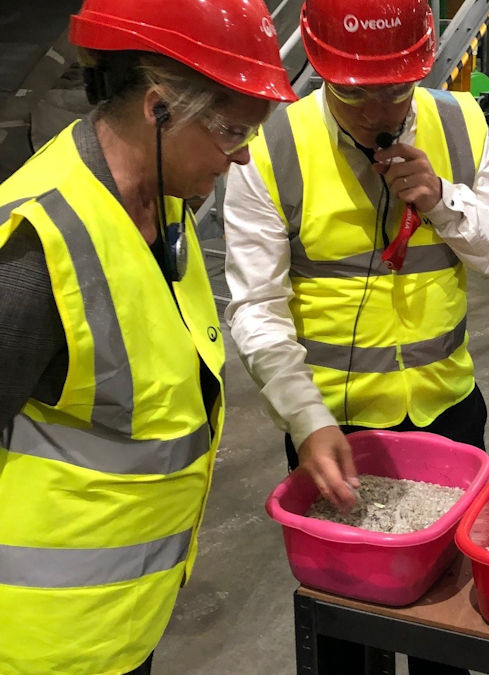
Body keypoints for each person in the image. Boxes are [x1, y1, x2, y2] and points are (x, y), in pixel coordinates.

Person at [223, 0, 489, 672]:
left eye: (395, 90)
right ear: (321, 68)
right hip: (334, 435)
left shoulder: (457, 122)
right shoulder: (270, 147)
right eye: (355, 94)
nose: (377, 113)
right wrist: (305, 421)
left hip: (448, 418)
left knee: (447, 627)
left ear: (418, 67)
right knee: (344, 632)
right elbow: (255, 308)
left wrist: (444, 200)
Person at [0, 1, 296, 673]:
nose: (244, 155)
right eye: (228, 130)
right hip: (36, 647)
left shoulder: (164, 212)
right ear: (158, 108)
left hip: (123, 627)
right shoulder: (33, 255)